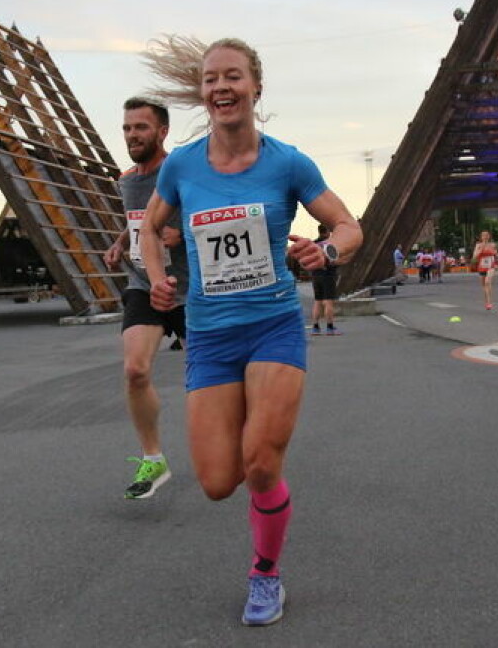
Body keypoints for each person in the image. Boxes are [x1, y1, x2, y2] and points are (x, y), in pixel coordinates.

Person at [139, 35, 362, 627]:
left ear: (255, 87)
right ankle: (259, 490)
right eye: (211, 79)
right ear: (202, 92)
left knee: (261, 463)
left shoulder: (287, 162)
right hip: (210, 336)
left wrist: (326, 250)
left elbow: (347, 224)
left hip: (272, 328)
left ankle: (266, 574)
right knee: (217, 482)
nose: (221, 88)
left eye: (232, 77)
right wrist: (159, 278)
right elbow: (148, 229)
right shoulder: (183, 165)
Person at [103, 97, 188, 500]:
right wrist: (121, 243)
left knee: (214, 377)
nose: (132, 135)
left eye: (140, 127)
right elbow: (136, 220)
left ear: (162, 131)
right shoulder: (125, 180)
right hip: (142, 284)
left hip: (190, 288)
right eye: (127, 128)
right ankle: (153, 457)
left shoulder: (182, 172)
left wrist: (182, 234)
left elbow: (214, 211)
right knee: (135, 371)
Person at [310, 223, 340, 334]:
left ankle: (315, 327)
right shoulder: (330, 244)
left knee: (317, 301)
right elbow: (334, 260)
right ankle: (330, 327)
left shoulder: (313, 245)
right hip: (327, 275)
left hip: (315, 275)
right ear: (327, 231)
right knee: (328, 302)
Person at [472, 230, 498, 310]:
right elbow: (474, 257)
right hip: (482, 266)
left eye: (487, 235)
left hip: (491, 266)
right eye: (483, 235)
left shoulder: (492, 245)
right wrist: (481, 250)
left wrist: (495, 254)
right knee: (484, 286)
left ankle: (490, 302)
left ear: (489, 236)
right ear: (481, 237)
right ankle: (487, 302)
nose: (485, 236)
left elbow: (496, 254)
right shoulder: (478, 245)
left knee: (488, 282)